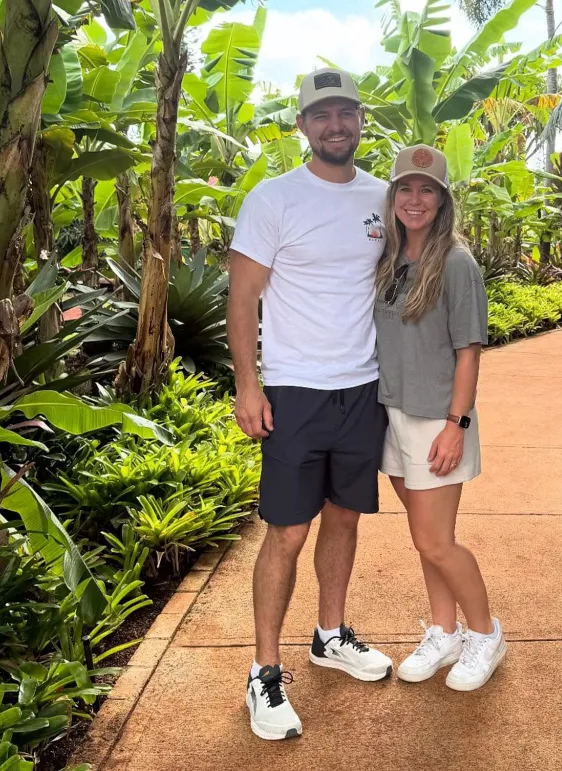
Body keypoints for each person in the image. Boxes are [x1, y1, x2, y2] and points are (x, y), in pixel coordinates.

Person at [227, 66, 393, 742]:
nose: (335, 125)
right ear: (302, 125)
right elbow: (242, 298)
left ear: (360, 120)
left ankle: (330, 634)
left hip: (363, 388)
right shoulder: (273, 199)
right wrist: (248, 384)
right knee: (288, 532)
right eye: (321, 114)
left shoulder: (384, 197)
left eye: (345, 112)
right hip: (295, 390)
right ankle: (264, 671)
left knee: (344, 519)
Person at [374, 144, 506, 691]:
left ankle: (486, 634)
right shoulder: (390, 258)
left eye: (427, 190)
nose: (415, 199)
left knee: (435, 541)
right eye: (406, 188)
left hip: (437, 421)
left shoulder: (456, 263)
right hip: (393, 412)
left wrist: (457, 425)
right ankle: (444, 630)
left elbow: (468, 352)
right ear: (392, 196)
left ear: (443, 200)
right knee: (425, 536)